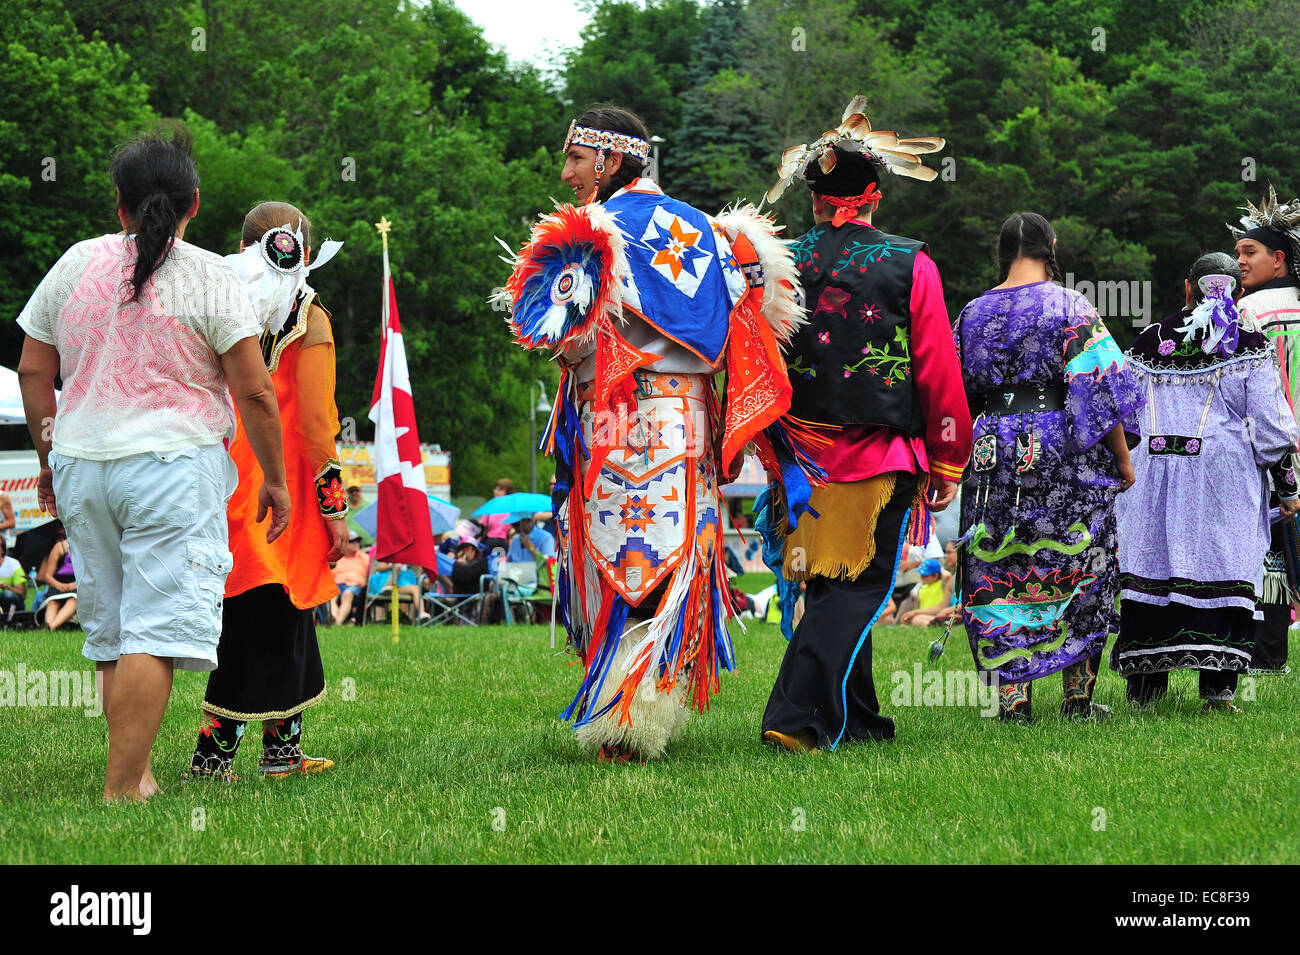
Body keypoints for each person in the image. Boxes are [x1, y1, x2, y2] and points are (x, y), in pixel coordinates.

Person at [499, 103, 806, 760]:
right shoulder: (713, 233)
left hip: (614, 420)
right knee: (671, 563)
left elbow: (569, 344)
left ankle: (627, 722)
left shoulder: (590, 232)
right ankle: (643, 708)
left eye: (576, 159)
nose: (568, 172)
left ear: (609, 160)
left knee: (621, 561)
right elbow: (746, 333)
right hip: (687, 423)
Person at [16, 127, 291, 801]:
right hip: (171, 467)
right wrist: (277, 479)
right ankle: (121, 788)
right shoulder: (211, 275)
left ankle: (136, 773)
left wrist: (50, 455)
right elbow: (255, 389)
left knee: (113, 632)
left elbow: (31, 365)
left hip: (82, 461)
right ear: (193, 203)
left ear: (119, 205)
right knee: (153, 631)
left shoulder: (77, 262)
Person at [758, 97, 971, 754]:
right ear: (875, 194)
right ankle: (794, 716)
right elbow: (937, 367)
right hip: (877, 456)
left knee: (833, 584)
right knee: (857, 588)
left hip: (800, 459)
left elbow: (758, 363)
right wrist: (947, 457)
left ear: (816, 195)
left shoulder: (778, 264)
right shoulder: (911, 263)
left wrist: (767, 446)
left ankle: (859, 718)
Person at [185, 200, 349, 782]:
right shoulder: (311, 320)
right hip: (285, 489)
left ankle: (280, 753)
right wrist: (336, 512)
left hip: (215, 477)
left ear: (241, 245)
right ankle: (214, 760)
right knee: (272, 610)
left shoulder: (213, 301)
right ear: (304, 251)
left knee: (263, 608)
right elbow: (316, 425)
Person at [956, 212, 1143, 722]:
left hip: (992, 451)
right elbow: (1099, 393)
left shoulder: (972, 312)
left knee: (999, 562)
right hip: (1059, 451)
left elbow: (956, 395)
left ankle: (1013, 700)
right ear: (1051, 246)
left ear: (1004, 250)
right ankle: (1077, 700)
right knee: (1080, 560)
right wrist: (1124, 461)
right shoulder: (1070, 305)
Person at [1114, 253, 1299, 710]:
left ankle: (1145, 692)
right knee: (1222, 565)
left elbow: (1123, 411)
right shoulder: (1249, 344)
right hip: (1221, 475)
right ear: (1238, 294)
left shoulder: (1148, 340)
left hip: (1151, 472)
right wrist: (1289, 486)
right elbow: (1271, 427)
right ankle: (1217, 694)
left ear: (1187, 288)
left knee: (1151, 566)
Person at [1230, 187, 1300, 673]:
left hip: (1276, 445)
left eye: (1248, 252)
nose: (1239, 262)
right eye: (1237, 253)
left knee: (1271, 548)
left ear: (1278, 258)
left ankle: (1269, 651)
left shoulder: (1251, 311)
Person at [36, 534, 78, 630]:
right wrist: (59, 585)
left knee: (74, 600)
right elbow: (47, 576)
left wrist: (75, 584)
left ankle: (50, 627)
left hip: (78, 584)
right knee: (53, 601)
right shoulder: (60, 547)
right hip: (58, 583)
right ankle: (49, 625)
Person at [330, 532, 370, 625]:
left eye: (358, 541)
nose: (356, 543)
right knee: (331, 596)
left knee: (347, 595)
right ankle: (334, 616)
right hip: (337, 584)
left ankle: (337, 622)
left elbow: (370, 572)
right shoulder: (337, 558)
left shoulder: (363, 557)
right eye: (352, 541)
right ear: (344, 543)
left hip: (355, 586)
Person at [0, 537, 27, 623]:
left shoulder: (13, 564)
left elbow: (23, 594)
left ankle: (9, 621)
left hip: (14, 604)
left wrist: (5, 587)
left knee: (8, 595)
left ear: (2, 550)